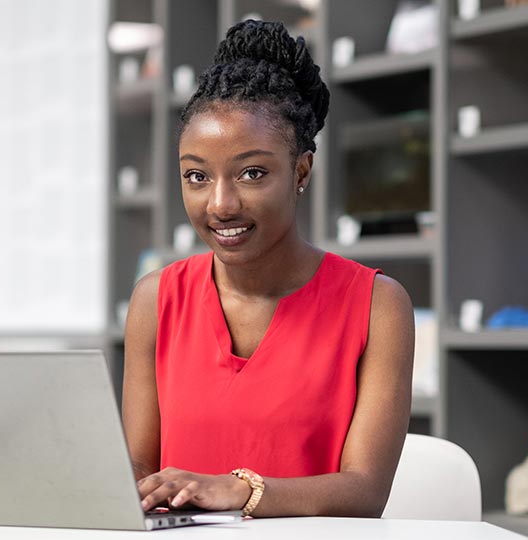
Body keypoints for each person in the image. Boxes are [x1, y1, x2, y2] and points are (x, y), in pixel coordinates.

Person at [121, 19, 415, 519]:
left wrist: (240, 491)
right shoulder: (156, 299)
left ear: (301, 170)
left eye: (252, 173)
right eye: (196, 176)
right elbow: (138, 469)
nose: (221, 204)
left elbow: (366, 491)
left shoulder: (377, 306)